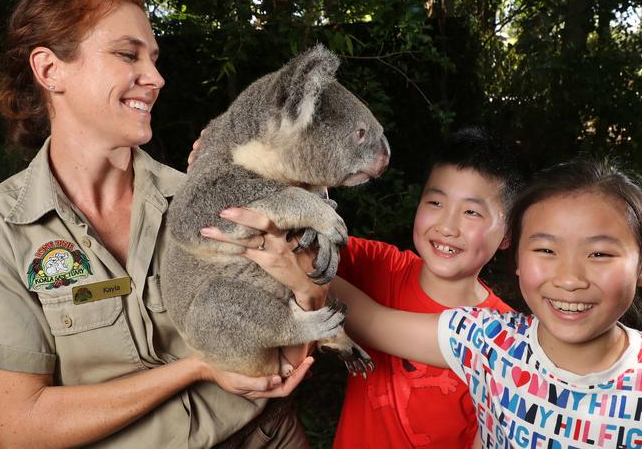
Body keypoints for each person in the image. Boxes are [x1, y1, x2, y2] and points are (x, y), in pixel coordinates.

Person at [0, 0, 314, 448]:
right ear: (49, 70)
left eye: (154, 58)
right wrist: (198, 367)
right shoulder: (4, 230)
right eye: (127, 54)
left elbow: (285, 356)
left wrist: (303, 282)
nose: (157, 78)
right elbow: (21, 426)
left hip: (264, 436)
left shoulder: (201, 198)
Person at [212, 158, 642, 448]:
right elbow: (369, 316)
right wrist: (242, 168)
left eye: (600, 253)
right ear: (519, 259)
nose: (569, 278)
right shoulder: (487, 341)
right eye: (546, 250)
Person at [201, 127, 526, 447]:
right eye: (436, 203)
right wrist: (236, 165)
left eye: (471, 212)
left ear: (508, 235)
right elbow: (296, 243)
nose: (447, 226)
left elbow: (318, 280)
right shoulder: (378, 265)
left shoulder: (509, 341)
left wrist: (302, 272)